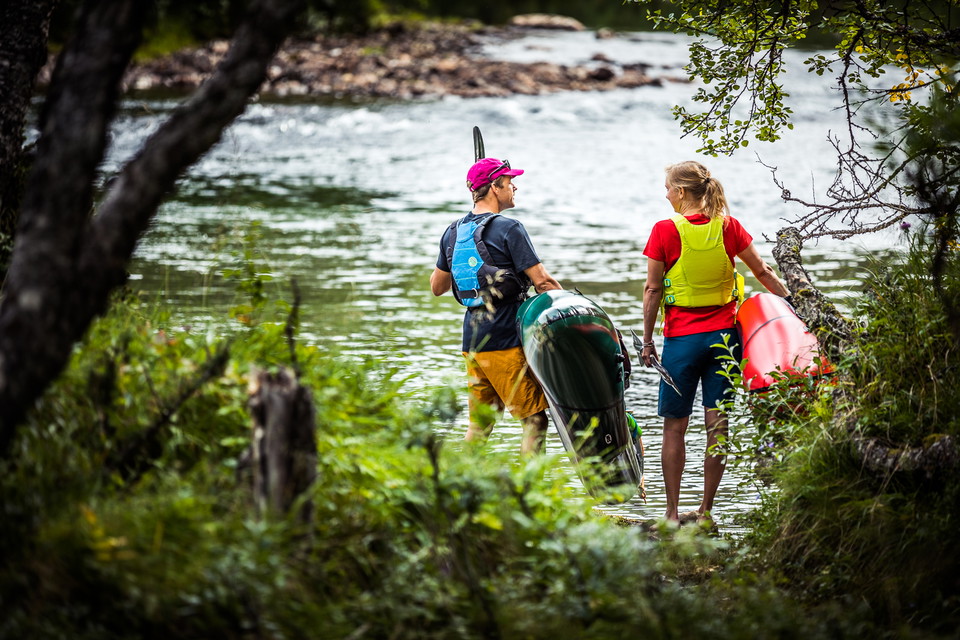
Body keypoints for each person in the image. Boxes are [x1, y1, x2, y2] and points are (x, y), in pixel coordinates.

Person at [639, 160, 790, 525]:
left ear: (681, 192)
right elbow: (763, 272)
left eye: (668, 188)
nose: (665, 194)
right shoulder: (729, 227)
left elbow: (653, 290)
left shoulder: (664, 230)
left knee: (675, 427)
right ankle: (706, 513)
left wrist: (646, 342)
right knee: (717, 425)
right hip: (725, 341)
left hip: (681, 343)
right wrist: (796, 305)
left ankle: (672, 514)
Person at [430, 156, 562, 455]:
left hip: (473, 341)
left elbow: (437, 287)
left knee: (480, 425)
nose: (514, 186)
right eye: (509, 182)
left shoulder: (452, 231)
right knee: (534, 422)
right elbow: (542, 282)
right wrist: (570, 312)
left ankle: (456, 489)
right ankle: (530, 497)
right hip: (505, 338)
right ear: (494, 187)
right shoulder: (509, 228)